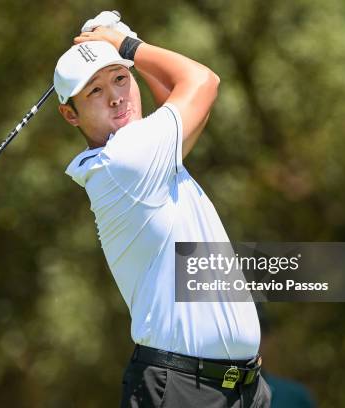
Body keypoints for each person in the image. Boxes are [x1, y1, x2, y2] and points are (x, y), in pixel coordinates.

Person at [54, 12, 271, 408]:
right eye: (95, 92)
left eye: (121, 78)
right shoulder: (126, 160)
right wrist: (127, 46)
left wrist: (127, 42)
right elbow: (203, 82)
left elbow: (174, 98)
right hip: (183, 390)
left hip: (239, 389)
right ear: (71, 114)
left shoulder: (139, 156)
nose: (116, 96)